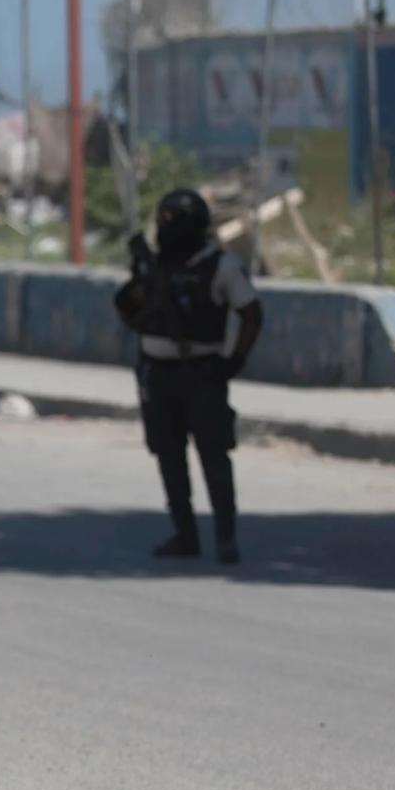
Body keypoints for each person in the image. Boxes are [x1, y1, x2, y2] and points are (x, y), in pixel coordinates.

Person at [115, 189, 262, 565]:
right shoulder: (154, 267)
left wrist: (235, 360)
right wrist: (140, 285)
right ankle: (184, 534)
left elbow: (251, 313)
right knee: (168, 455)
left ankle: (226, 538)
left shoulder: (220, 265)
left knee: (214, 455)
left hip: (202, 372)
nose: (166, 232)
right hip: (157, 372)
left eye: (174, 224)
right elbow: (129, 312)